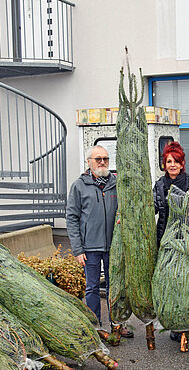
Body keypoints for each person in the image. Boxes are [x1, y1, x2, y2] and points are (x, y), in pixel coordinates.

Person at [66, 145, 133, 338]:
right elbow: (71, 217)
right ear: (89, 162)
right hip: (90, 246)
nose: (102, 162)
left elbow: (124, 210)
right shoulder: (79, 185)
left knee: (116, 285)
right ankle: (95, 325)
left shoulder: (116, 183)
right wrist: (78, 250)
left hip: (114, 246)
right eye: (98, 159)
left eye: (105, 159)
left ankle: (118, 323)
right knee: (92, 287)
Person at [152, 141, 189, 341]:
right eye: (169, 161)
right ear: (164, 164)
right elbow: (152, 207)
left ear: (182, 164)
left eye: (176, 161)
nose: (172, 165)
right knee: (170, 282)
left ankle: (187, 321)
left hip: (186, 241)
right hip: (166, 240)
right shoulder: (160, 184)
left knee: (186, 282)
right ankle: (173, 321)